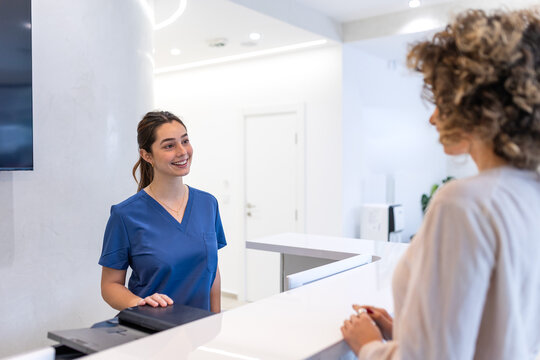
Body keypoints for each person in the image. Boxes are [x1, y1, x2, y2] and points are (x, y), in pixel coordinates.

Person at [342, 9, 540, 360]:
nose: (432, 116)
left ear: (479, 101)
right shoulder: (528, 194)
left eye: (440, 99)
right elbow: (501, 325)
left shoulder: (463, 203)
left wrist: (368, 345)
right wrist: (404, 330)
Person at [99, 111, 226, 313]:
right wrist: (139, 303)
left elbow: (212, 271)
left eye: (185, 141)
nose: (182, 151)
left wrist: (216, 320)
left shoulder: (208, 204)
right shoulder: (125, 215)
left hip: (200, 331)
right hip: (153, 331)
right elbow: (109, 286)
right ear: (146, 155)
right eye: (169, 145)